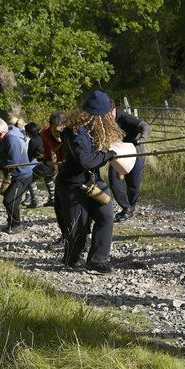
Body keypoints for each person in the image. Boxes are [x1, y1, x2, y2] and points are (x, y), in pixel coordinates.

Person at [57, 90, 122, 273]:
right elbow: (85, 160)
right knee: (79, 223)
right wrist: (108, 155)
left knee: (106, 216)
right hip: (72, 184)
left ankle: (97, 260)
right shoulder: (76, 132)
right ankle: (72, 259)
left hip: (93, 181)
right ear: (99, 115)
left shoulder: (93, 128)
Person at [0, 117, 33, 234]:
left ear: (0, 132)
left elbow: (14, 161)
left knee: (10, 200)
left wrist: (1, 164)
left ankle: (17, 224)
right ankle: (12, 223)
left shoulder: (12, 140)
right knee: (10, 200)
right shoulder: (4, 138)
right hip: (15, 174)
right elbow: (3, 153)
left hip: (22, 175)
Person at [108, 105, 151, 222]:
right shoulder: (105, 120)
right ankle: (127, 207)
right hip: (118, 154)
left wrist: (142, 138)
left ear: (113, 109)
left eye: (107, 113)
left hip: (136, 153)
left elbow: (145, 126)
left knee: (133, 185)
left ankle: (130, 209)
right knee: (114, 182)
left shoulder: (125, 118)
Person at [41, 112, 67, 247]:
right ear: (49, 127)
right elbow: (47, 151)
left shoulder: (72, 132)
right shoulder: (45, 133)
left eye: (60, 131)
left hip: (76, 170)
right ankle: (65, 236)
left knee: (74, 207)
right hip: (62, 171)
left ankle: (81, 238)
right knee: (59, 206)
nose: (58, 135)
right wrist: (47, 161)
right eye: (55, 131)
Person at [23, 122, 45, 208]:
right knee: (49, 178)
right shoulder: (43, 136)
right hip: (52, 165)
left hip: (44, 165)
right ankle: (52, 199)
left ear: (29, 132)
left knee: (30, 179)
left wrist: (23, 165)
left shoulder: (33, 141)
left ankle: (34, 201)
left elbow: (29, 157)